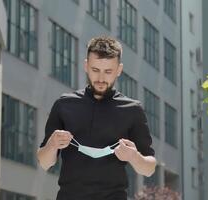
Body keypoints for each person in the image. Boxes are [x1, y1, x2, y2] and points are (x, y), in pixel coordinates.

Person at [37, 36, 156, 200]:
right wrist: (52, 145)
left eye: (108, 72)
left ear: (119, 70)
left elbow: (149, 168)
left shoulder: (133, 110)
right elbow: (44, 163)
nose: (101, 78)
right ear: (86, 65)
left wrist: (133, 157)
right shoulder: (64, 104)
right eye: (95, 70)